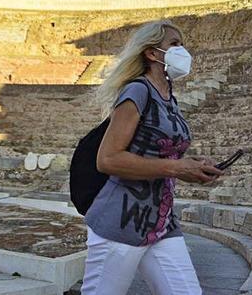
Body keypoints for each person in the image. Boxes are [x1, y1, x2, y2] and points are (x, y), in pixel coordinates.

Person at [81, 20, 223, 294]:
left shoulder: (170, 97)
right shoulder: (137, 91)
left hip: (161, 223)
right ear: (152, 53)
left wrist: (194, 165)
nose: (183, 50)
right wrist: (175, 168)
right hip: (121, 222)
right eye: (174, 44)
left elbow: (164, 154)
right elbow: (108, 159)